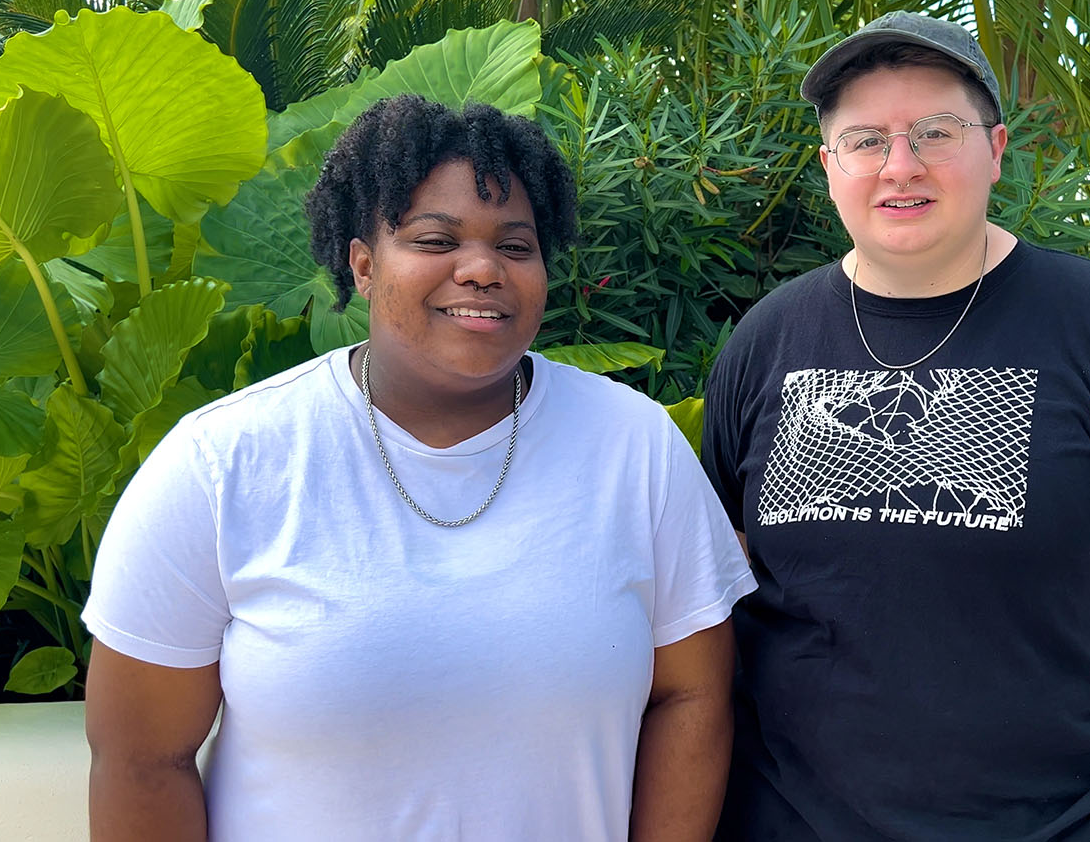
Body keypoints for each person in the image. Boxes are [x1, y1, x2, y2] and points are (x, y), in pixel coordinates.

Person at [83, 95, 756, 841]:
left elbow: (692, 696)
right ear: (364, 265)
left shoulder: (636, 446)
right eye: (436, 240)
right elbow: (142, 760)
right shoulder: (223, 464)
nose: (482, 269)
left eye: (517, 247)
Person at [701, 12, 1090, 841]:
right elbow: (734, 568)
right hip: (797, 818)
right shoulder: (767, 341)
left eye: (936, 132)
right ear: (829, 166)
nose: (900, 165)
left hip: (1077, 819)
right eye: (865, 141)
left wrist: (1041, 683)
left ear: (996, 149)